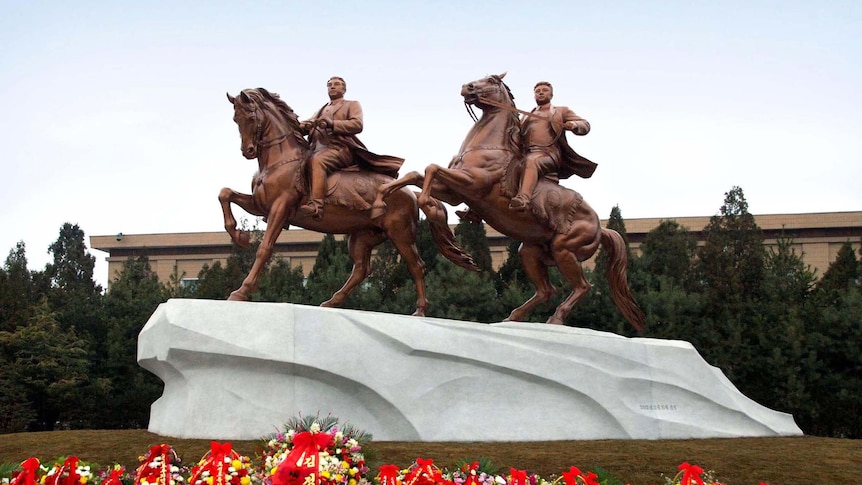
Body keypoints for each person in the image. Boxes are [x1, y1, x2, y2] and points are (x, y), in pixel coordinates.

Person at [298, 76, 404, 219]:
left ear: (344, 89)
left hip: (339, 149)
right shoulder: (321, 109)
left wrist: (332, 124)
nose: (332, 87)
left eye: (337, 84)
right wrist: (303, 126)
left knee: (318, 160)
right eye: (329, 85)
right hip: (316, 148)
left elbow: (357, 124)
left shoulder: (352, 104)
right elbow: (307, 124)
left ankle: (317, 205)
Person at [509, 81, 597, 211]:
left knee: (532, 161)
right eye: (537, 91)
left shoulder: (561, 111)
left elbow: (585, 124)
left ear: (551, 95)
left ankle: (524, 198)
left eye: (544, 90)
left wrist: (574, 125)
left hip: (548, 154)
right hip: (526, 153)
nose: (540, 92)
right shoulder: (526, 116)